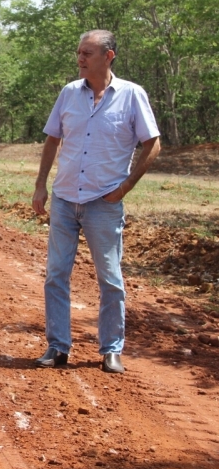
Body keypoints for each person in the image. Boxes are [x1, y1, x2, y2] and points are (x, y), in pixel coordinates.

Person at [32, 29, 161, 374]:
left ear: (109, 56)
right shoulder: (69, 94)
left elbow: (153, 144)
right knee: (56, 275)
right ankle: (58, 346)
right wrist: (41, 185)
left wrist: (125, 187)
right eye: (79, 52)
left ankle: (111, 349)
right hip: (64, 198)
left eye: (87, 52)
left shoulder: (132, 95)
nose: (80, 58)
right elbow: (51, 140)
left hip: (104, 203)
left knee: (110, 278)